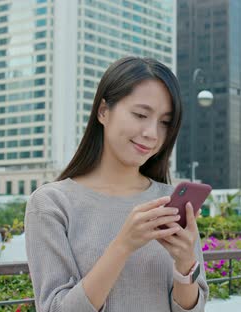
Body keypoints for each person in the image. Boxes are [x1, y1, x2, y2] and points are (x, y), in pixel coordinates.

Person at [24, 57, 208, 312]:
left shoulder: (169, 201)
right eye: (140, 114)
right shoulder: (51, 204)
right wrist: (123, 245)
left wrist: (185, 263)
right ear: (103, 111)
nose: (152, 134)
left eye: (165, 123)